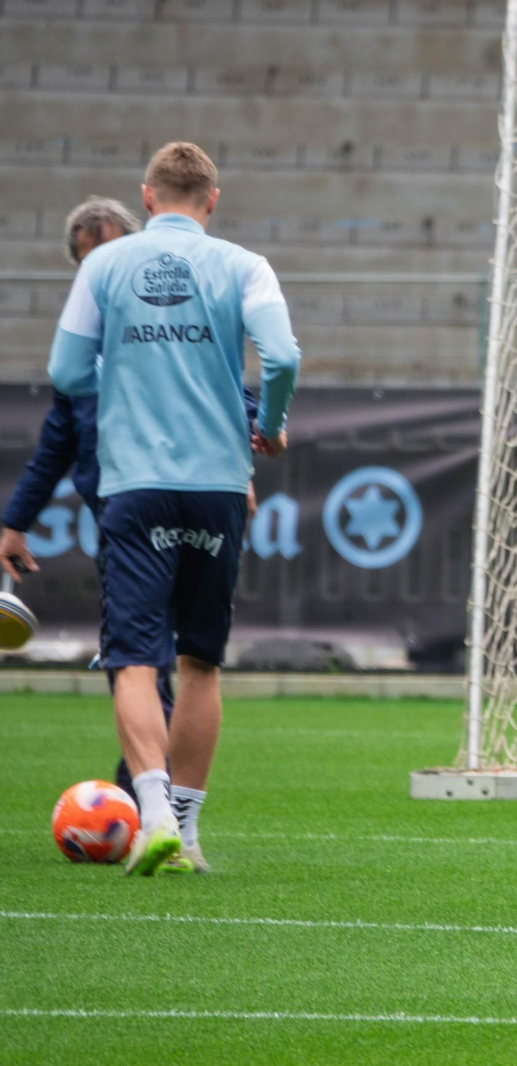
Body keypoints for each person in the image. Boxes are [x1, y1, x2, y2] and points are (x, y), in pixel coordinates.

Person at [48, 142, 300, 876]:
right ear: (212, 200)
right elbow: (283, 357)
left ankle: (150, 812)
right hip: (219, 484)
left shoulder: (104, 265)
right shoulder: (245, 265)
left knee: (134, 656)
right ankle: (185, 834)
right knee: (200, 661)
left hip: (136, 483)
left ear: (147, 196)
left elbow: (66, 370)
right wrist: (270, 425)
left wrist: (130, 372)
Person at [2, 199, 260, 847]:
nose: (103, 265)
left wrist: (242, 462)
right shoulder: (86, 350)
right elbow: (55, 444)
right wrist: (14, 522)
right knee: (142, 657)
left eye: (113, 250)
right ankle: (151, 801)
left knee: (154, 656)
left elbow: (234, 393)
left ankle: (150, 805)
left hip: (174, 499)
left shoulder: (166, 332)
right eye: (91, 258)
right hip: (121, 512)